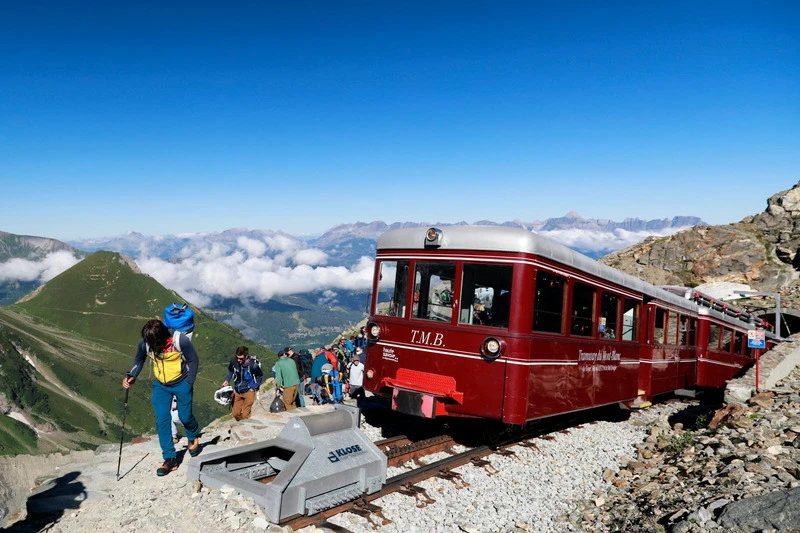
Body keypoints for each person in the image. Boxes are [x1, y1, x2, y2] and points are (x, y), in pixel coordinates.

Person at [123, 319, 201, 477]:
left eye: (154, 343)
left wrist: (189, 383)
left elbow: (193, 360)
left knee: (185, 417)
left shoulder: (180, 340)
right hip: (161, 385)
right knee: (162, 420)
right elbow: (139, 360)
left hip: (181, 382)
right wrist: (132, 376)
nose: (151, 346)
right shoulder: (145, 344)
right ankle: (169, 458)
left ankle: (192, 436)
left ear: (163, 338)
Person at [222, 346, 264, 421]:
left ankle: (245, 428)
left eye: (241, 358)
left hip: (248, 391)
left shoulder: (253, 365)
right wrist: (227, 380)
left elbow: (260, 376)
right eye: (237, 357)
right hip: (237, 391)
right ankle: (242, 424)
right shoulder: (234, 362)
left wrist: (254, 387)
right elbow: (230, 371)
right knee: (235, 413)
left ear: (246, 356)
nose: (238, 360)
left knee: (245, 414)